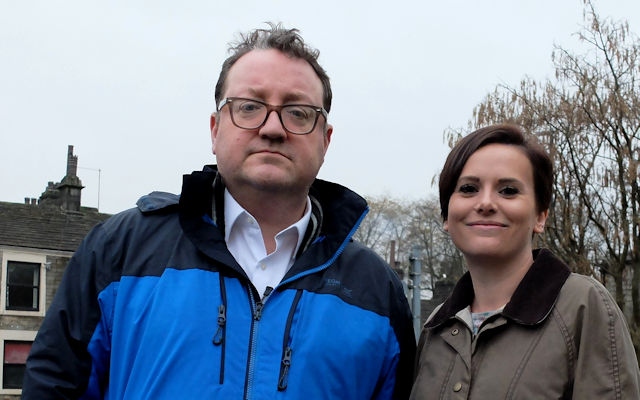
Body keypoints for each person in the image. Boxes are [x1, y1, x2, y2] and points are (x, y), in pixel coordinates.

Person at [23, 23, 416, 399]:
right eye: (249, 106)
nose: (272, 128)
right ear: (215, 129)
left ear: (325, 140)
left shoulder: (376, 291)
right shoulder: (121, 251)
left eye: (298, 112)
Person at [410, 124, 640, 399]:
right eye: (468, 188)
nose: (485, 203)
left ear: (540, 216)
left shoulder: (583, 306)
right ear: (447, 216)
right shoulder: (436, 327)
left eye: (508, 190)